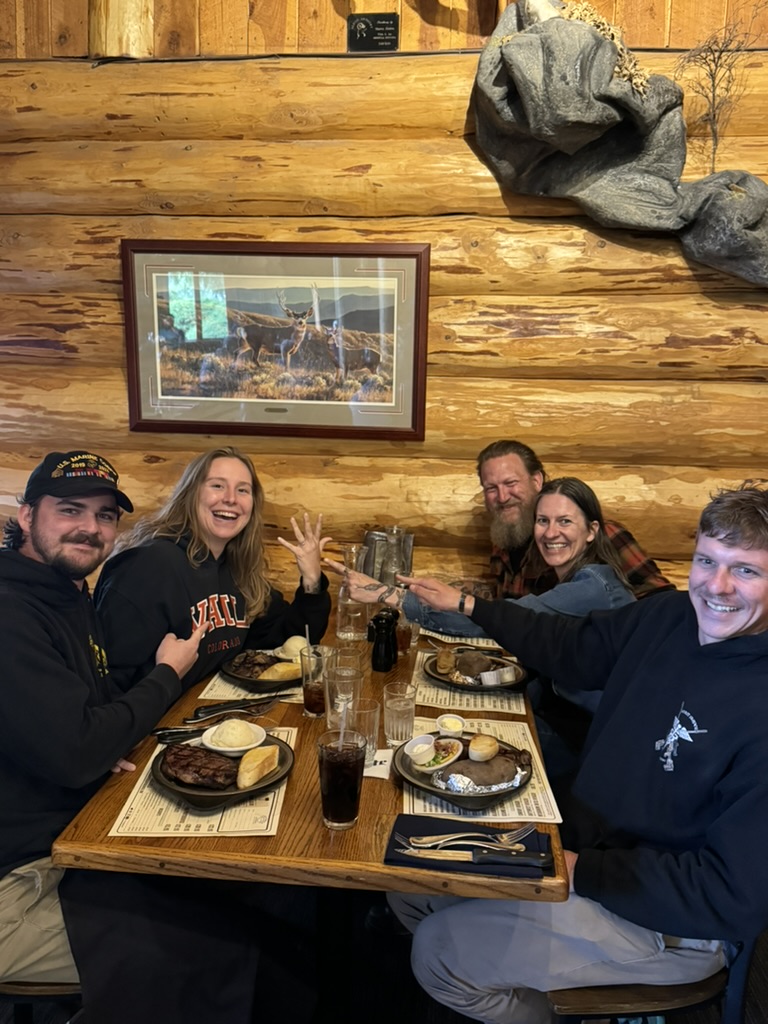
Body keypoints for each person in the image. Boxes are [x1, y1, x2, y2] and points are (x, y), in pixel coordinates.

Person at [386, 484, 768, 1024]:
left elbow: (731, 894)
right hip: (584, 853)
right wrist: (474, 606)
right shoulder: (667, 617)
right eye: (707, 561)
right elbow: (566, 646)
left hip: (671, 921)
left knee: (438, 951)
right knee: (409, 888)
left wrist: (584, 870)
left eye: (746, 570)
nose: (717, 586)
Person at [0, 450, 308, 1023]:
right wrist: (164, 677)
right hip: (24, 872)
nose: (89, 528)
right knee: (222, 948)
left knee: (255, 912)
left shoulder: (67, 593)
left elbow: (83, 728)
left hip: (76, 826)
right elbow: (78, 749)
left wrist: (103, 741)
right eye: (69, 510)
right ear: (26, 515)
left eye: (104, 515)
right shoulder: (13, 611)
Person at [94, 446, 332, 691]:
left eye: (242, 490)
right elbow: (107, 681)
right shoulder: (148, 565)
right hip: (153, 712)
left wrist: (311, 579)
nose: (230, 498)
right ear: (191, 494)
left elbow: (289, 640)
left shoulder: (237, 568)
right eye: (217, 485)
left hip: (198, 705)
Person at [327, 477, 635, 646]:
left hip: (589, 725)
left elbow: (509, 619)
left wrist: (387, 593)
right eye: (543, 520)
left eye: (565, 521)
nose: (551, 532)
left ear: (592, 531)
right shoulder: (575, 577)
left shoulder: (592, 586)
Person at [477, 438, 673, 599]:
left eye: (511, 483)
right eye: (491, 488)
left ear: (536, 481)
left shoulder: (601, 535)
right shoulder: (503, 540)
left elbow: (661, 599)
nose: (502, 497)